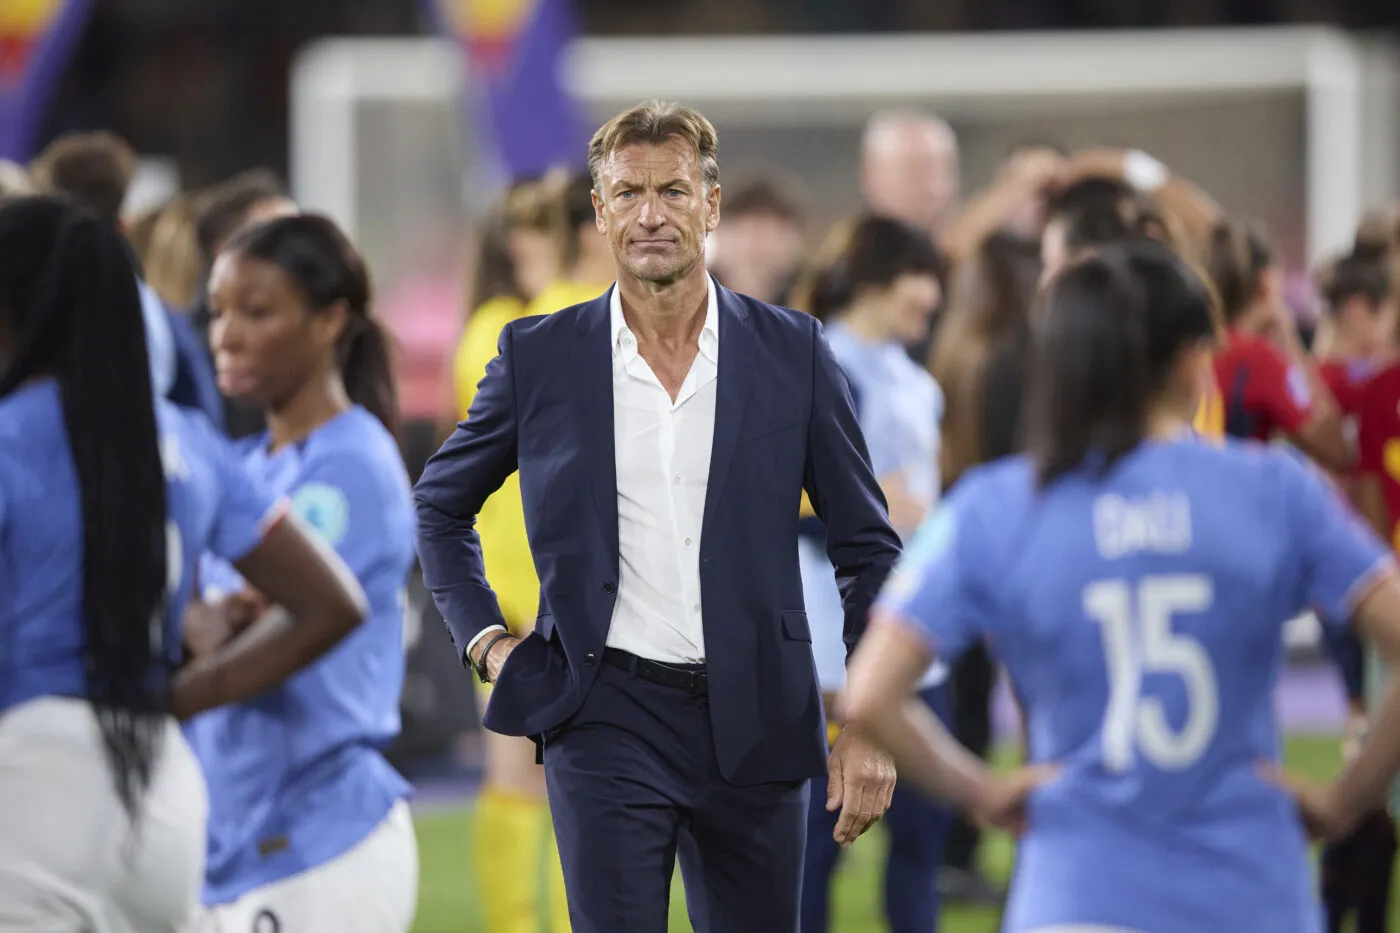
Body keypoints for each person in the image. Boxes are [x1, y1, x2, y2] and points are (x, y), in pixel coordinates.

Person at [415, 100, 901, 933]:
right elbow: (440, 503)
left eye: (673, 191)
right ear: (599, 212)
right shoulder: (538, 355)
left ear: (711, 206)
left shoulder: (795, 352)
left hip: (761, 715)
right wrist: (485, 639)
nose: (651, 214)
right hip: (604, 714)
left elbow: (868, 547)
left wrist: (866, 718)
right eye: (629, 193)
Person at [842, 238, 1400, 933]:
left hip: (1078, 893)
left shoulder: (998, 505)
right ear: (1195, 358)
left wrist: (980, 790)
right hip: (1252, 891)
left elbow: (867, 693)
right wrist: (1350, 796)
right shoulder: (1273, 490)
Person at [0, 195, 367, 932]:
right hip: (161, 784)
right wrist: (186, 695)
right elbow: (332, 602)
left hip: (31, 779)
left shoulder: (9, 439)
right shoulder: (188, 440)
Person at [186, 214, 419, 932]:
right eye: (219, 311)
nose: (227, 334)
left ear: (328, 320)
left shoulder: (347, 462)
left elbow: (280, 620)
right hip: (234, 841)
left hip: (321, 840)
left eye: (257, 312)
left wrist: (175, 687)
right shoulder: (249, 467)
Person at [793, 215, 950, 933]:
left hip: (918, 633)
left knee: (922, 835)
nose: (932, 292)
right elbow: (766, 501)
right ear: (879, 279)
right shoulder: (812, 361)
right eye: (919, 273)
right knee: (819, 842)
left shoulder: (915, 377)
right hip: (833, 637)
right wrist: (861, 507)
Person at [450, 175, 573, 933]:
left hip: (534, 575)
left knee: (549, 778)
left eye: (543, 224)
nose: (529, 239)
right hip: (515, 580)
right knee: (530, 776)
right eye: (521, 226)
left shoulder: (503, 319)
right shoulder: (516, 320)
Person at [1205, 218, 1351, 469]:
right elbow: (1336, 449)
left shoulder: (1196, 346)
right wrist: (1290, 340)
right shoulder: (1259, 359)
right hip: (1239, 496)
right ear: (1265, 282)